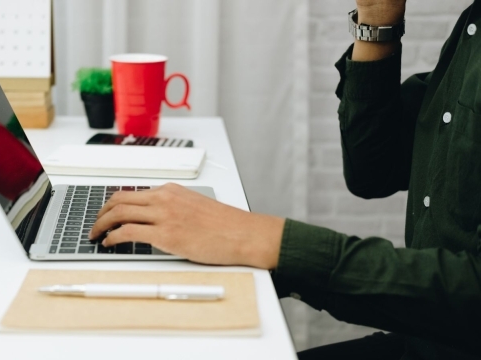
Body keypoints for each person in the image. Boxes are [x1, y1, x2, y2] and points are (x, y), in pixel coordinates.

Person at [90, 0, 481, 358]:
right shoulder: (471, 26)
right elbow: (372, 171)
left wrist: (266, 241)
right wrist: (378, 18)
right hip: (428, 336)